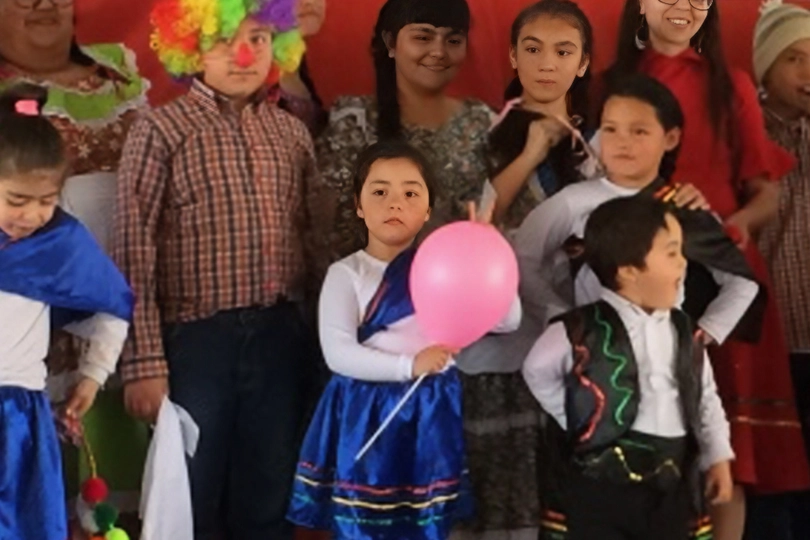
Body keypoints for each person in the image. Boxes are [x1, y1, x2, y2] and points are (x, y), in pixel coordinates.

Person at [516, 71, 759, 540]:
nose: (622, 142)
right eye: (610, 129)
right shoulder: (575, 202)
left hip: (666, 363)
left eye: (639, 130)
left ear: (670, 138)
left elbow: (741, 283)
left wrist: (702, 332)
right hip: (594, 362)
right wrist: (559, 315)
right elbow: (524, 258)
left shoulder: (683, 209)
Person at [113, 1, 324, 538]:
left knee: (270, 494)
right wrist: (144, 361)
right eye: (223, 41)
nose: (243, 54)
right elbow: (132, 246)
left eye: (258, 39)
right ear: (188, 48)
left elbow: (313, 237)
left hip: (281, 336)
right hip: (197, 342)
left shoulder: (291, 135)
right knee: (191, 493)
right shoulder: (160, 130)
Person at [606, 2, 810, 535]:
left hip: (724, 282)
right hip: (638, 282)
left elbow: (764, 197)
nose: (682, 6)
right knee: (643, 445)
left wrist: (725, 232)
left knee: (729, 457)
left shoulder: (731, 85)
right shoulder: (612, 83)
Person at [288, 141, 521, 539]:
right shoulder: (347, 275)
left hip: (429, 409)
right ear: (359, 205)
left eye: (411, 193)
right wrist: (408, 366)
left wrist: (485, 251)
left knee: (425, 522)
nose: (395, 203)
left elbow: (508, 319)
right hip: (366, 412)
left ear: (429, 208)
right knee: (366, 523)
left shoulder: (445, 265)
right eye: (380, 192)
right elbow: (338, 354)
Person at [0, 0, 151, 515]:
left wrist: (92, 377)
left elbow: (112, 305)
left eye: (45, 202)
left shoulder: (58, 242)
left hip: (20, 416)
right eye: (16, 202)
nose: (31, 216)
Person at [522, 196, 735, 540]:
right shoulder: (580, 328)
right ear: (629, 271)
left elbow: (706, 395)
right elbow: (536, 369)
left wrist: (718, 456)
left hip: (671, 480)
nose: (683, 264)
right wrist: (577, 415)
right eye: (671, 253)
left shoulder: (683, 331)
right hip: (601, 486)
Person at [749, 2, 810, 537]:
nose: (807, 73)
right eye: (794, 58)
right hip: (772, 341)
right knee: (778, 486)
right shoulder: (744, 132)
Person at [488, 0, 593, 226]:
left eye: (563, 52)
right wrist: (530, 156)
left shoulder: (597, 140)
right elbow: (475, 217)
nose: (547, 64)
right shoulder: (484, 128)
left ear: (583, 63)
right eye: (533, 50)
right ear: (514, 56)